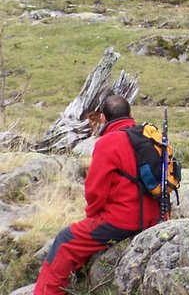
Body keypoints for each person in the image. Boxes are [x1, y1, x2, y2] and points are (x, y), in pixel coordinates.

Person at [35, 96, 159, 295]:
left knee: (65, 241)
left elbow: (95, 192)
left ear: (102, 117)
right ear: (131, 115)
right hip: (156, 216)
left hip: (123, 220)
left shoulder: (107, 143)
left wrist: (92, 215)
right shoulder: (149, 135)